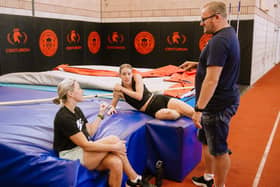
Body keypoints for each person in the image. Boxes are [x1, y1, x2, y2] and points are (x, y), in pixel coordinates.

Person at [181, 1, 240, 187]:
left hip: (217, 106)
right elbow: (220, 65)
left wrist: (198, 109)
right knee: (207, 142)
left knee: (219, 150)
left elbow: (212, 80)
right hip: (220, 101)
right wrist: (197, 64)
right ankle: (208, 177)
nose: (201, 23)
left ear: (217, 17)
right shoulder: (228, 35)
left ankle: (219, 185)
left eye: (203, 19)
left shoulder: (219, 41)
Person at [53, 78, 154, 187]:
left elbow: (90, 132)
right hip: (71, 155)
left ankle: (134, 180)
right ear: (70, 93)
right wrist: (115, 148)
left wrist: (101, 114)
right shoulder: (64, 117)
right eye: (79, 88)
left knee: (116, 162)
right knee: (113, 140)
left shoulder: (76, 110)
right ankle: (134, 179)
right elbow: (86, 145)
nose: (82, 91)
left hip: (82, 149)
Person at [107, 64, 194, 120]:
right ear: (119, 75)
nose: (127, 77)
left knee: (192, 112)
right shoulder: (118, 90)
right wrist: (112, 107)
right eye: (124, 74)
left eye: (129, 74)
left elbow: (139, 96)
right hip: (151, 111)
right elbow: (113, 104)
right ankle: (180, 112)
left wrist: (122, 89)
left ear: (132, 74)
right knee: (171, 114)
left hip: (158, 100)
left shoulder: (137, 78)